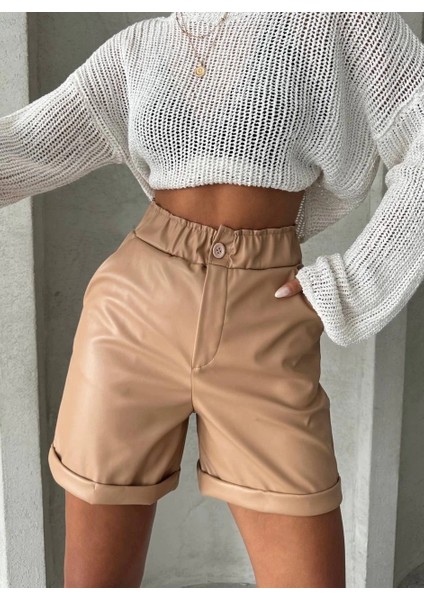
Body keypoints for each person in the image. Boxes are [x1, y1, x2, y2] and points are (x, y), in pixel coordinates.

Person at [1, 10, 424, 588]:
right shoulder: (141, 46)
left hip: (266, 317)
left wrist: (349, 286)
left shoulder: (344, 22)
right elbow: (24, 149)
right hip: (130, 316)